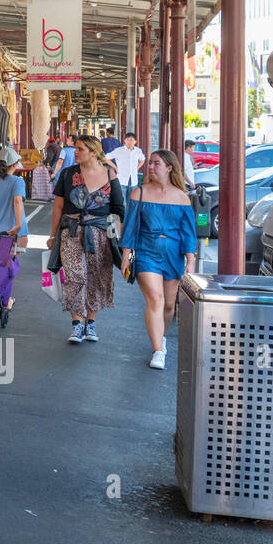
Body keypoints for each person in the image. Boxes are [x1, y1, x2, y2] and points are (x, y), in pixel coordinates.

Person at [121, 150, 197, 370]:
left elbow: (188, 232)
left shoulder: (182, 197)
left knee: (169, 305)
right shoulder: (140, 193)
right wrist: (126, 255)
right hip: (146, 251)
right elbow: (130, 227)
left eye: (156, 163)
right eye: (150, 163)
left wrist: (190, 261)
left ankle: (160, 337)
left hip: (173, 254)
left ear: (169, 168)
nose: (151, 167)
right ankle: (158, 350)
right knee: (155, 298)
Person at [48, 134, 125, 345]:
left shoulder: (110, 174)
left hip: (101, 234)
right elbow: (58, 206)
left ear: (93, 152)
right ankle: (77, 323)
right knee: (75, 275)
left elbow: (118, 208)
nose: (75, 152)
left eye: (80, 149)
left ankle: (90, 322)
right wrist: (53, 235)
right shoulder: (68, 174)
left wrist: (117, 239)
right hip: (71, 231)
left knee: (97, 277)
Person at [0, 146, 26, 242]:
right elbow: (17, 201)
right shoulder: (17, 181)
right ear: (14, 164)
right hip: (11, 230)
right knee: (9, 253)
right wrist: (19, 225)